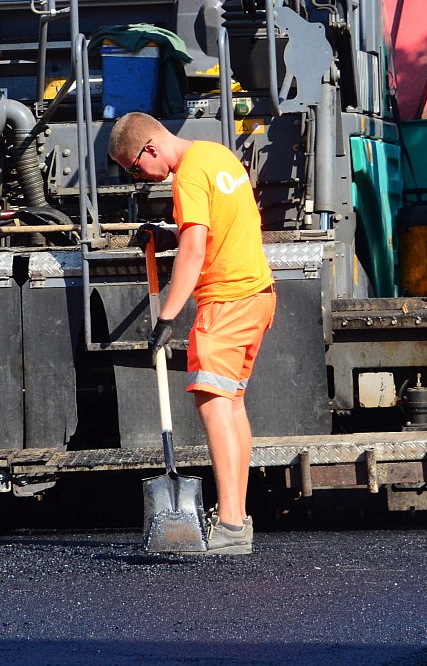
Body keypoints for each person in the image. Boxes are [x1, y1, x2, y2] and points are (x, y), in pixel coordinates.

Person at [109, 112, 275, 555]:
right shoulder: (216, 155)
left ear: (150, 149)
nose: (138, 176)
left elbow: (195, 249)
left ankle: (232, 525)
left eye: (134, 168)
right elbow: (219, 226)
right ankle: (236, 519)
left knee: (214, 406)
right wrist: (168, 232)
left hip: (225, 302)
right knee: (231, 405)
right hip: (256, 295)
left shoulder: (187, 178)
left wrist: (166, 318)